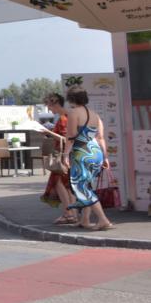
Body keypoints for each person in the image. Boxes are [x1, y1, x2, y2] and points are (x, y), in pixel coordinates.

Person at [63, 85, 114, 231]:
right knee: (87, 185)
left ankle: (103, 219)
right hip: (95, 152)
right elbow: (101, 137)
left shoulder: (73, 113)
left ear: (71, 99)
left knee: (81, 187)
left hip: (82, 152)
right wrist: (105, 157)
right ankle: (85, 220)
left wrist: (65, 154)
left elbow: (71, 136)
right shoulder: (94, 115)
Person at [40, 93, 75, 224]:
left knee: (60, 184)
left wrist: (48, 133)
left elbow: (65, 139)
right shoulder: (68, 116)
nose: (49, 109)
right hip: (69, 155)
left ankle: (68, 213)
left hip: (63, 155)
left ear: (55, 104)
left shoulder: (63, 119)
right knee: (67, 186)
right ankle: (72, 213)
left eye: (49, 105)